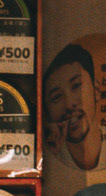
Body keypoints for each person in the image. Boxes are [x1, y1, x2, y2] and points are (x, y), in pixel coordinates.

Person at [43, 41, 102, 172]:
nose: (69, 104)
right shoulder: (48, 164)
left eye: (76, 86)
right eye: (56, 97)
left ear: (96, 90)